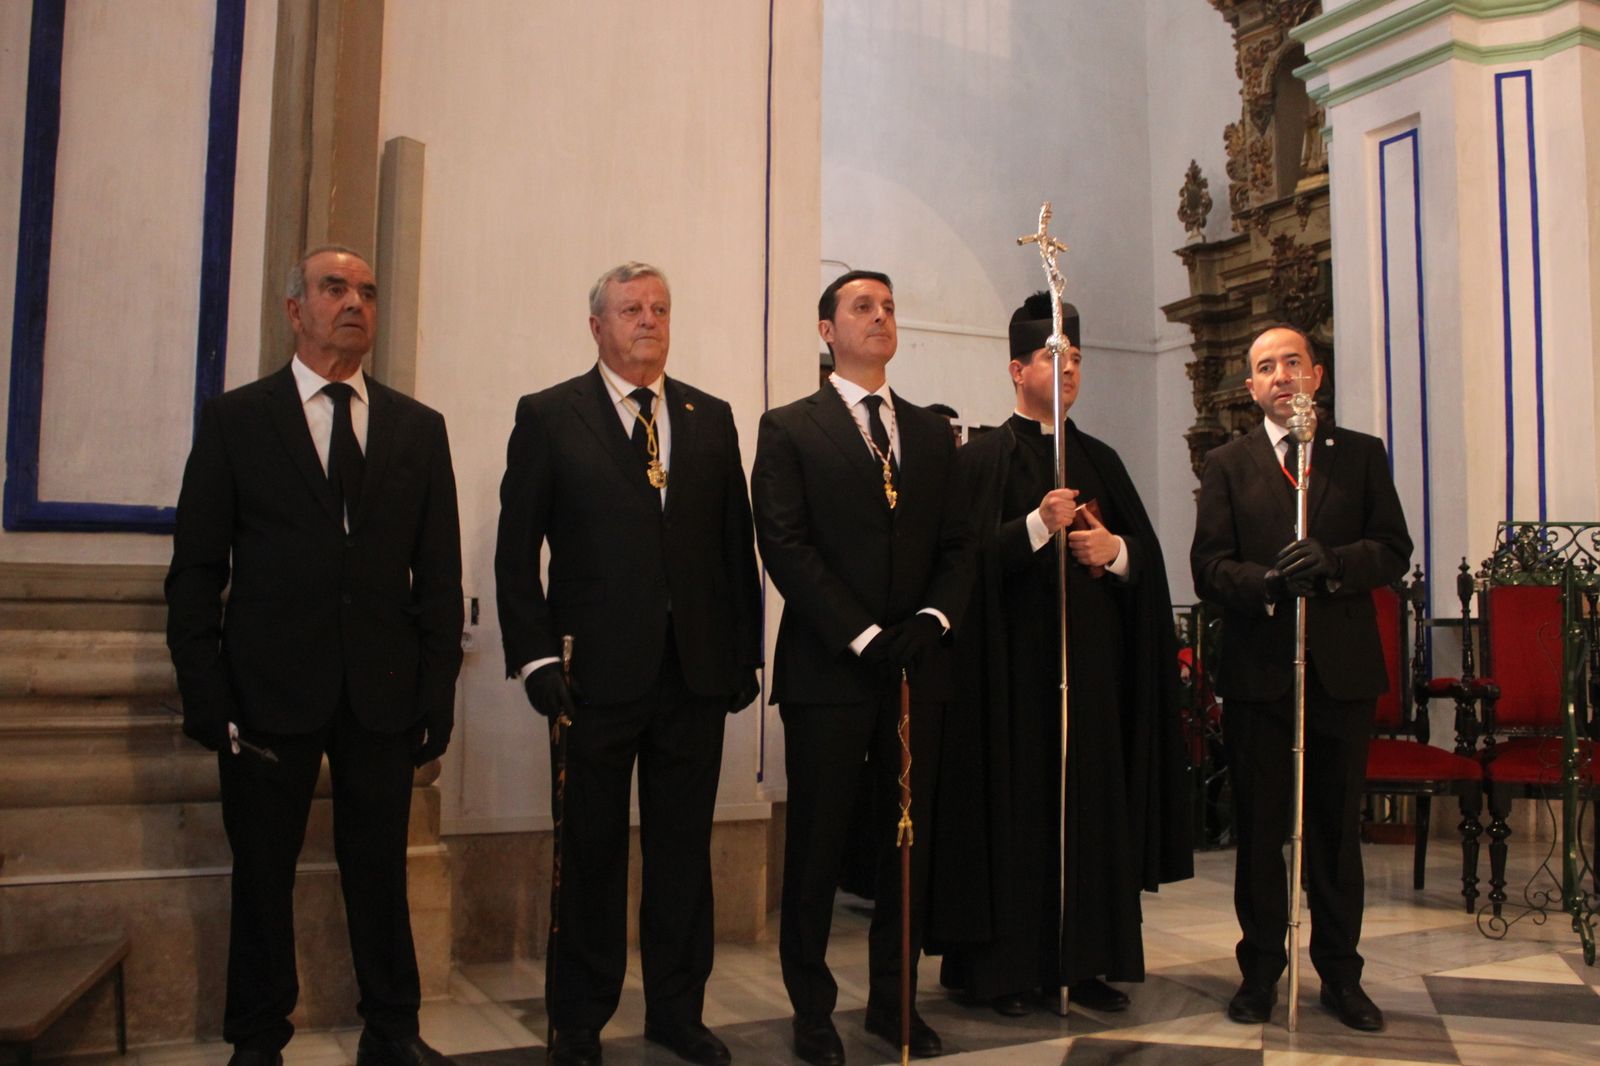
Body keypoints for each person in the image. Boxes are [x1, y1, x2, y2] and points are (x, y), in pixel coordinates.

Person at [166, 246, 463, 1066]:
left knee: (381, 872)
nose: (355, 303)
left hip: (381, 692)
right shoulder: (235, 420)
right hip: (266, 690)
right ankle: (258, 1038)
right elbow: (196, 571)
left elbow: (438, 577)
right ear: (294, 308)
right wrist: (206, 692)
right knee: (262, 874)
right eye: (335, 288)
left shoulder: (416, 427)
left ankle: (392, 1030)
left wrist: (435, 694)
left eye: (368, 291)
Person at [494, 262, 762, 1066]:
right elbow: (516, 554)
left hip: (693, 676)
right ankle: (578, 1018)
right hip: (591, 677)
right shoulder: (549, 416)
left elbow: (733, 548)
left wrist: (743, 655)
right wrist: (536, 657)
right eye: (630, 309)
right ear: (597, 327)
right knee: (592, 854)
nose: (648, 320)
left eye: (659, 308)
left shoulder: (709, 417)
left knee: (683, 855)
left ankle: (678, 1012)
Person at [931, 293, 1192, 1017]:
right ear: (1017, 369)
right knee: (1014, 816)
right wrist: (1033, 529)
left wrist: (1119, 553)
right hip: (1010, 684)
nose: (1069, 366)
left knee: (1090, 813)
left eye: (1076, 356)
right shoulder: (982, 458)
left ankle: (1089, 959)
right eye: (1053, 355)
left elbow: (1148, 563)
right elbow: (959, 565)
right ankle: (1004, 969)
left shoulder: (1100, 459)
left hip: (1095, 680)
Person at [752, 270, 973, 1065]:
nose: (880, 317)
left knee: (907, 844)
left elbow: (959, 545)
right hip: (829, 671)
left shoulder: (926, 429)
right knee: (818, 843)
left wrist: (931, 619)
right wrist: (861, 634)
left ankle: (894, 1003)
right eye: (861, 307)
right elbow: (785, 544)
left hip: (918, 669)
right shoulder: (789, 427)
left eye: (887, 306)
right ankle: (813, 1008)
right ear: (826, 330)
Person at [1190, 325, 1411, 1032]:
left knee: (1335, 835)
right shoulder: (1228, 463)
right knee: (1260, 833)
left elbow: (1393, 549)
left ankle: (1342, 977)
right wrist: (1266, 583)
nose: (1281, 375)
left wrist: (1337, 565)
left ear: (1316, 375)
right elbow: (1209, 567)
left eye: (1293, 362)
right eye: (1265, 367)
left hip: (1340, 673)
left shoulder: (1361, 455)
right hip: (1261, 673)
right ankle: (1259, 972)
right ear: (1250, 387)